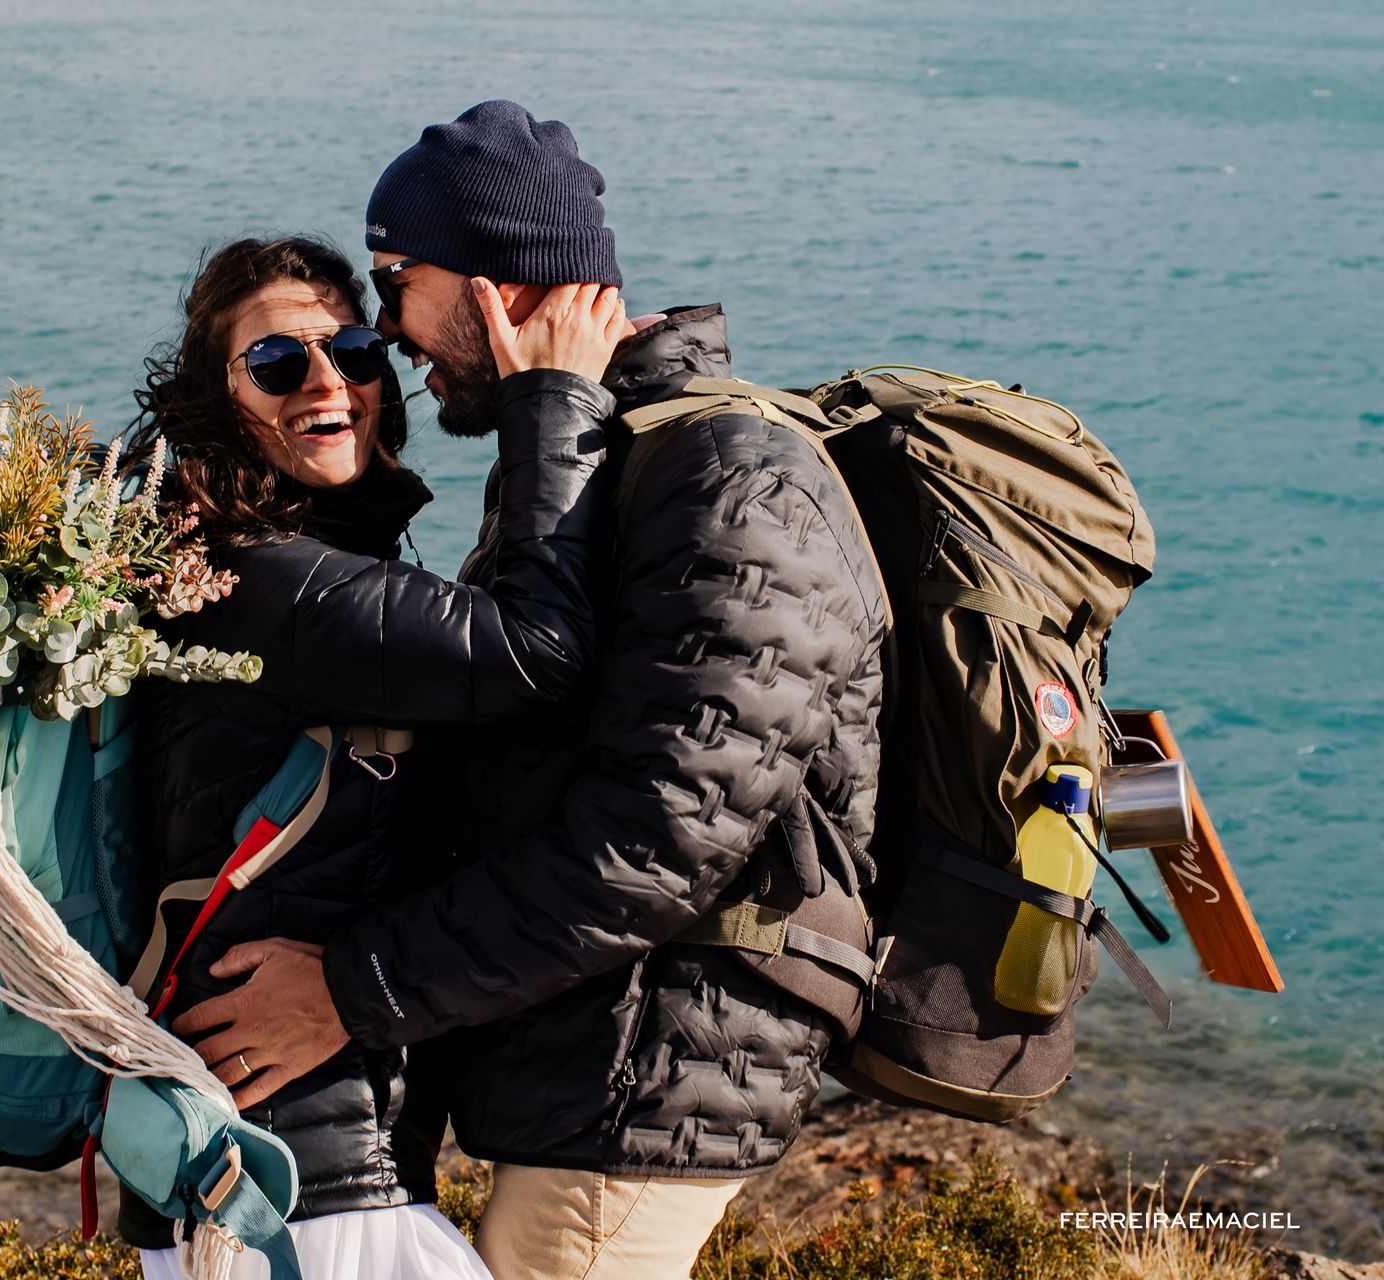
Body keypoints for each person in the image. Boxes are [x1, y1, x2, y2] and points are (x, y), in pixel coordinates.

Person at [184, 103, 890, 1280]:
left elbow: (659, 842)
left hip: (652, 1072)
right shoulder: (596, 458)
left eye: (396, 285)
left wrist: (351, 989)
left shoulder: (728, 477)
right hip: (587, 1063)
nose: (388, 332)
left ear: (493, 282)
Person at [118, 234, 629, 1280]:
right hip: (292, 1194)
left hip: (281, 1173)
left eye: (352, 350)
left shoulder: (287, 570)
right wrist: (552, 401)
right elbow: (534, 652)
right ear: (215, 400)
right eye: (276, 363)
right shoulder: (269, 587)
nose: (326, 382)